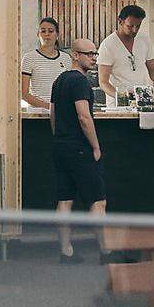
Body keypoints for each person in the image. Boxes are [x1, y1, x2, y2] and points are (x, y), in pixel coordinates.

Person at [48, 38, 105, 262]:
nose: (93, 58)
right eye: (89, 54)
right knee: (98, 200)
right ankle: (106, 251)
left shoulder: (59, 81)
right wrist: (96, 146)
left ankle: (66, 251)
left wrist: (59, 136)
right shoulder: (80, 82)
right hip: (79, 147)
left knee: (65, 200)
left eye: (95, 54)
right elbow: (84, 116)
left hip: (60, 145)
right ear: (75, 55)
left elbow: (52, 114)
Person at [97, 3, 154, 107]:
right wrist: (122, 97)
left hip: (143, 102)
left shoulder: (145, 39)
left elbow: (153, 70)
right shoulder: (107, 45)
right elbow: (103, 82)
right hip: (117, 106)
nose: (134, 30)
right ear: (120, 22)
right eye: (130, 26)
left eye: (138, 26)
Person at [20, 15, 71, 109]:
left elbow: (69, 88)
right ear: (38, 35)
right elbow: (23, 93)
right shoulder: (29, 57)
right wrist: (49, 107)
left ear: (57, 35)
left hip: (62, 113)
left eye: (51, 31)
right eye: (43, 31)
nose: (47, 34)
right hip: (37, 113)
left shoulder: (66, 58)